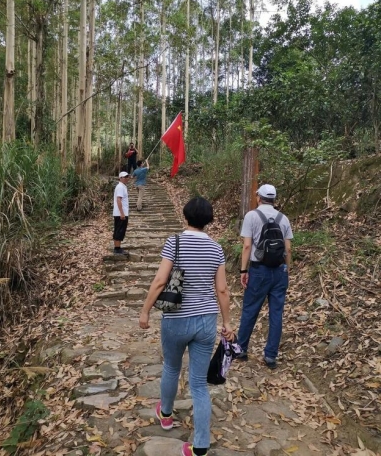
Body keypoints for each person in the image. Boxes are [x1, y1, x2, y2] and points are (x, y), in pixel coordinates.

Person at [139, 197, 234, 456]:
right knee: (199, 384)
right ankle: (200, 446)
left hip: (176, 319)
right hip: (206, 321)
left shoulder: (175, 242)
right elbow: (222, 290)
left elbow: (160, 280)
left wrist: (146, 310)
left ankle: (166, 415)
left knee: (171, 366)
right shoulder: (216, 249)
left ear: (185, 216)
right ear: (209, 220)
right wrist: (226, 323)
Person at [236, 184, 293, 369]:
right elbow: (288, 249)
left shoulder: (251, 216)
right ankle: (270, 356)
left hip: (258, 270)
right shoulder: (283, 218)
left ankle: (242, 349)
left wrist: (243, 271)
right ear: (274, 199)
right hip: (279, 271)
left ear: (259, 197)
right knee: (276, 314)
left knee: (250, 309)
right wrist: (287, 270)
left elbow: (246, 246)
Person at [113, 171, 130, 255]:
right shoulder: (120, 187)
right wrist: (122, 213)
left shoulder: (123, 186)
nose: (127, 178)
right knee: (119, 230)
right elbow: (118, 199)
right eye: (125, 177)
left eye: (127, 177)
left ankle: (118, 247)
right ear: (120, 178)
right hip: (120, 213)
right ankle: (117, 248)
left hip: (122, 212)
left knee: (120, 230)